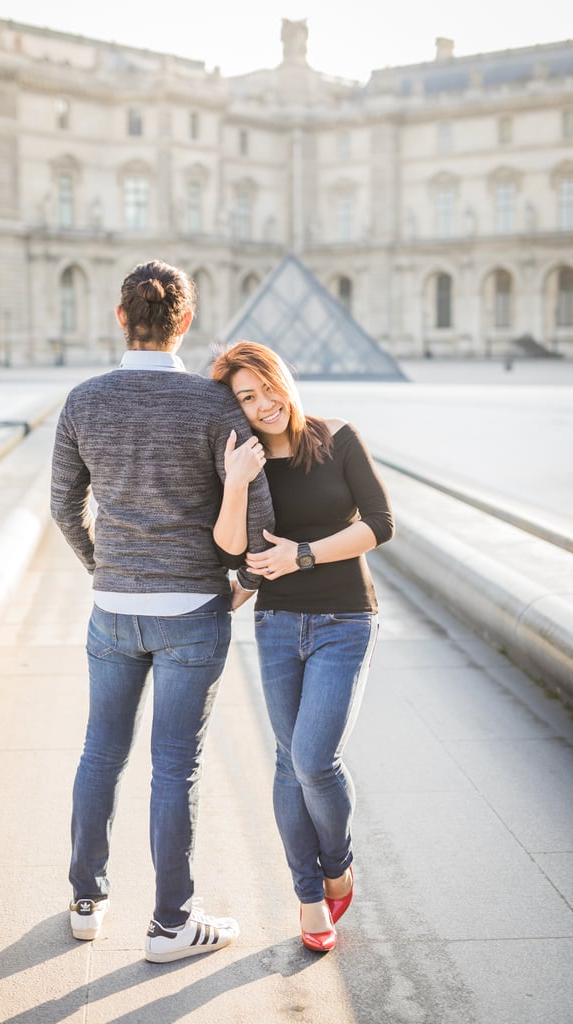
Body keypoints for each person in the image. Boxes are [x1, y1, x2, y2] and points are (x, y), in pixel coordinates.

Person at [50, 262, 273, 962]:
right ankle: (172, 922)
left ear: (121, 317)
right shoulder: (214, 408)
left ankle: (87, 899)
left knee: (99, 754)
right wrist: (239, 580)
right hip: (191, 610)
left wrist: (102, 568)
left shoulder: (84, 401)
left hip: (113, 609)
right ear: (184, 322)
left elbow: (63, 506)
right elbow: (257, 516)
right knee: (174, 767)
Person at [210, 340, 394, 953]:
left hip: (346, 618)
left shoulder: (337, 436)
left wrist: (303, 554)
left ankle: (337, 863)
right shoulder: (245, 458)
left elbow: (381, 524)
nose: (262, 404)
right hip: (278, 623)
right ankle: (310, 899)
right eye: (245, 397)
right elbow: (233, 550)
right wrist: (236, 482)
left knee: (314, 759)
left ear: (283, 380)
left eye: (266, 388)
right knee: (289, 764)